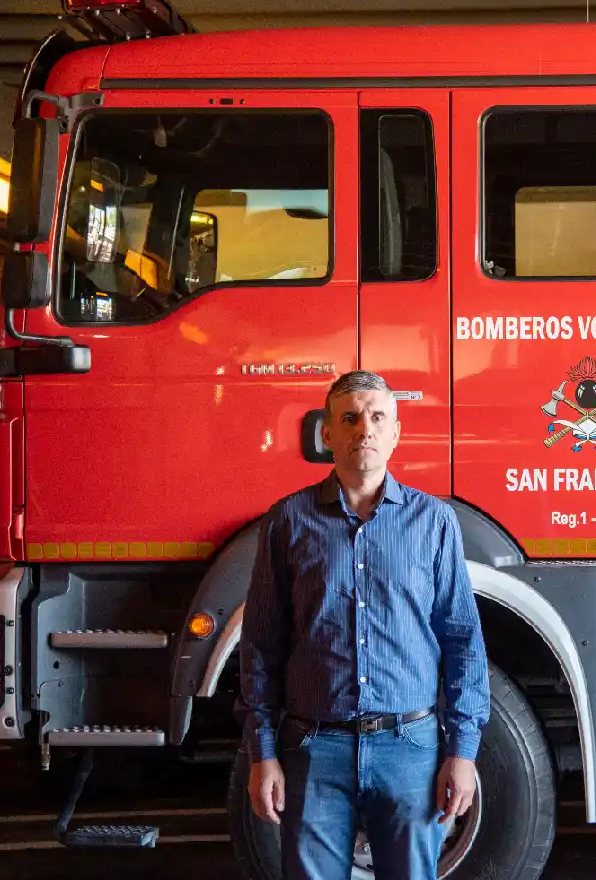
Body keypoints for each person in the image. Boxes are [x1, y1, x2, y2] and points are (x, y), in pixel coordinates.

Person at [238, 369, 490, 880]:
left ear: (395, 432)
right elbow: (261, 644)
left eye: (377, 417)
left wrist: (462, 751)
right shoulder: (288, 520)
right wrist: (262, 751)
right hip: (314, 751)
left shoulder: (434, 522)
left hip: (410, 750)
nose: (364, 429)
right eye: (349, 418)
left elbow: (462, 640)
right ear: (327, 434)